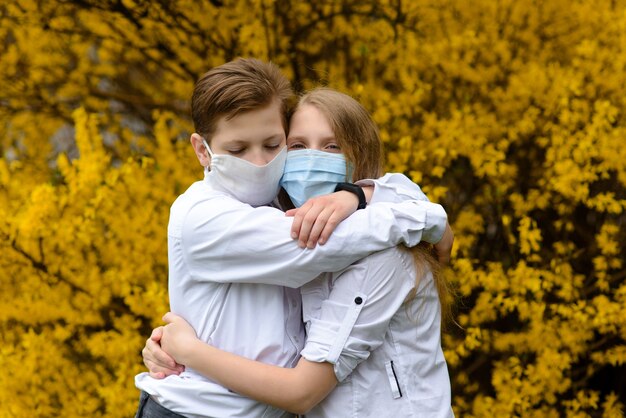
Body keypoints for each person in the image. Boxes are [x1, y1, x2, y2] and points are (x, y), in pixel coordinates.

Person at [134, 58, 453, 418]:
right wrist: (428, 217)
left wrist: (359, 194)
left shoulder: (280, 203)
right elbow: (319, 245)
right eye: (299, 147)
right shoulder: (205, 215)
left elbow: (390, 190)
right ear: (202, 150)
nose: (258, 163)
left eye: (273, 145)